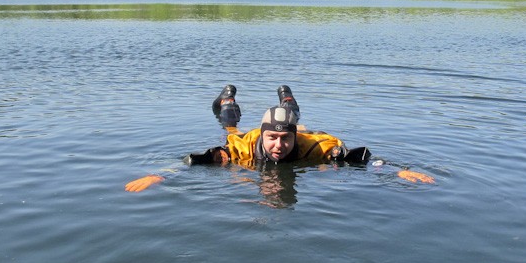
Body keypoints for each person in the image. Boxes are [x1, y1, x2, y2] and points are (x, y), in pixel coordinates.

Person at [124, 85, 435, 192]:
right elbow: (197, 160)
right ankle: (227, 102)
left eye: (284, 139)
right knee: (231, 129)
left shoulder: (312, 146)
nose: (278, 145)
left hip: (305, 131)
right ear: (263, 135)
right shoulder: (246, 148)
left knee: (295, 120)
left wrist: (397, 170)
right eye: (272, 138)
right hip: (243, 134)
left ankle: (288, 101)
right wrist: (160, 174)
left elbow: (362, 158)